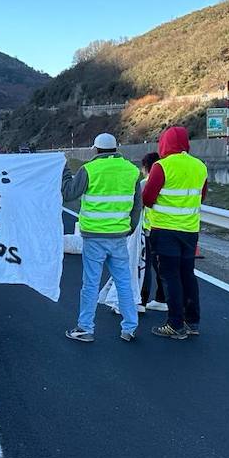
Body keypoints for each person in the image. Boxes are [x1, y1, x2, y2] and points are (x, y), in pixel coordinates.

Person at [63, 132, 142, 343]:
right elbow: (137, 206)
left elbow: (68, 193)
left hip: (94, 236)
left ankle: (85, 328)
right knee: (124, 283)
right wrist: (129, 229)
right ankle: (129, 327)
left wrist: (63, 171)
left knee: (90, 284)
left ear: (95, 150)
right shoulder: (131, 171)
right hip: (119, 236)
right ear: (116, 149)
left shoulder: (89, 169)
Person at [143, 125, 209, 339]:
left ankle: (174, 324)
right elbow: (202, 196)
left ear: (164, 143)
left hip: (165, 230)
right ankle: (192, 322)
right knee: (187, 275)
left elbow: (148, 198)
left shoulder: (161, 166)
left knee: (170, 277)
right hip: (190, 230)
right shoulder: (200, 166)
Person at [138, 151, 167, 313]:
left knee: (145, 266)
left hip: (148, 230)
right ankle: (162, 298)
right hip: (166, 229)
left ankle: (141, 301)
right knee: (161, 267)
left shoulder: (145, 183)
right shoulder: (167, 181)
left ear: (146, 167)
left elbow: (141, 204)